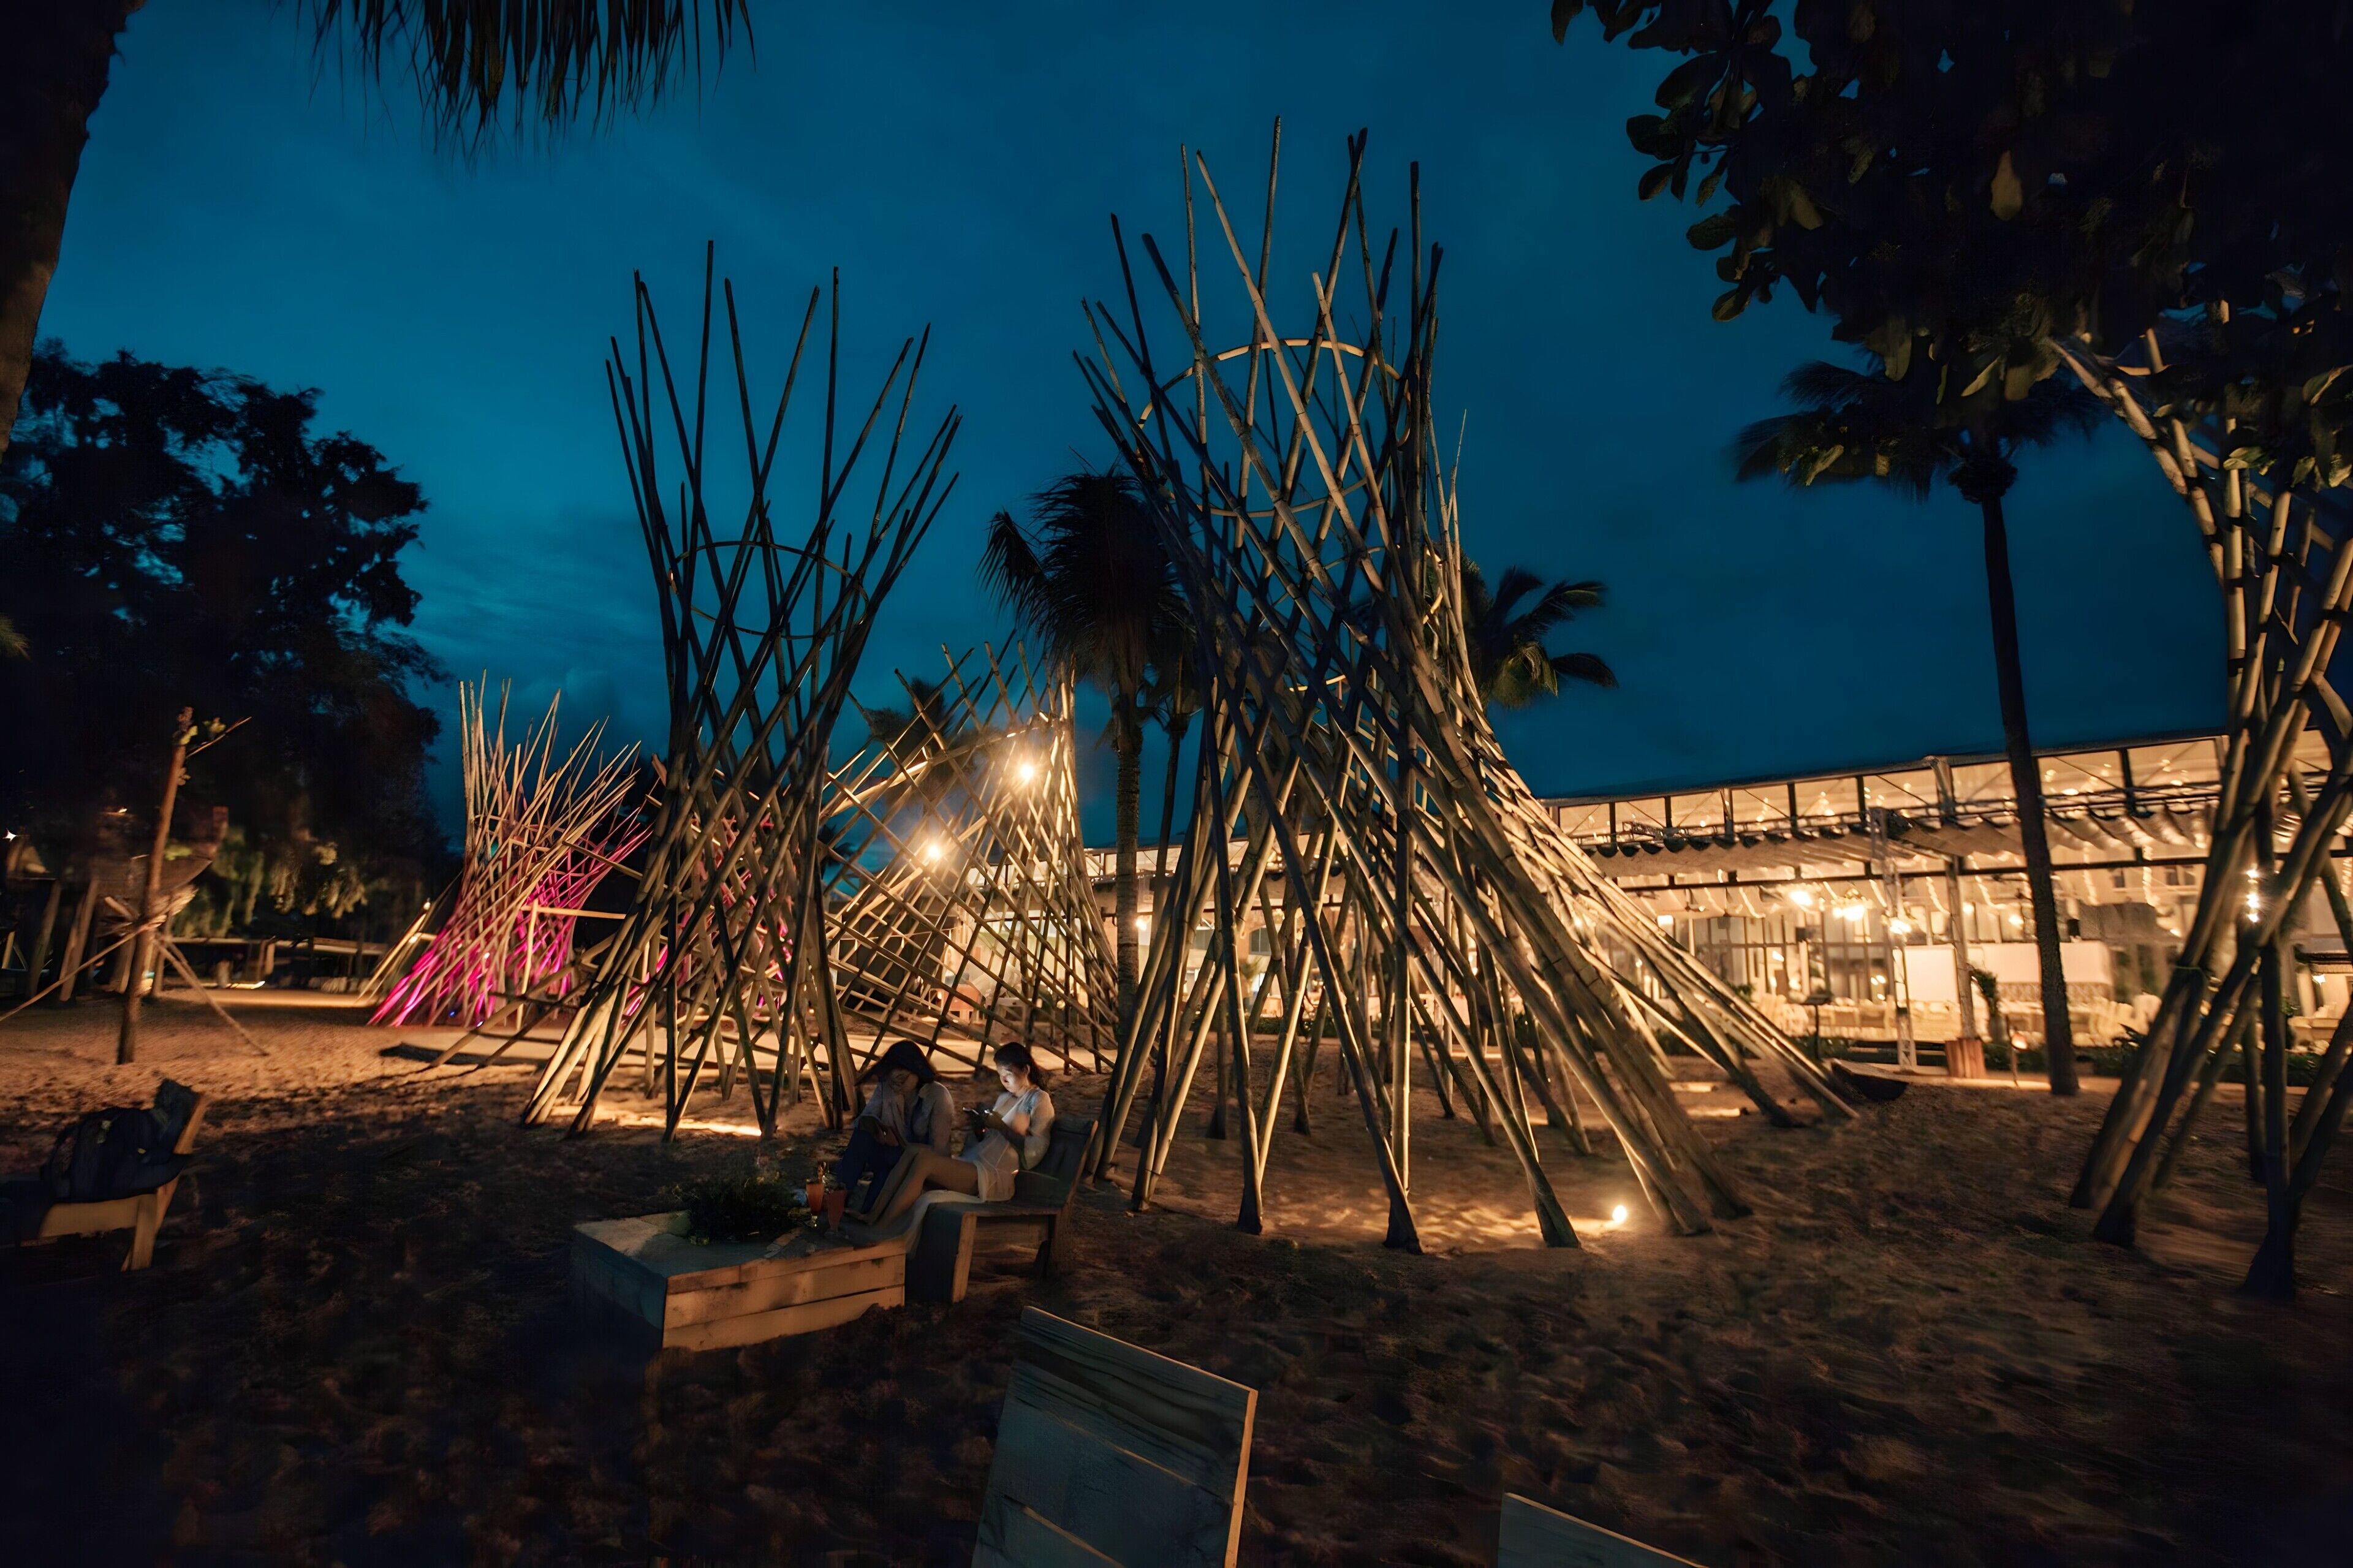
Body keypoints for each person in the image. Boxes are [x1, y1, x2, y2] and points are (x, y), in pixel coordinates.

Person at [851, 1041, 1053, 1232]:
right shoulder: (1005, 1098)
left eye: (1008, 1074)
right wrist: (980, 1128)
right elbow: (989, 1141)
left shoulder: (1038, 1099)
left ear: (1026, 1070)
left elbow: (1034, 1151)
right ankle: (874, 1214)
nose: (1004, 1081)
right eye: (1001, 1075)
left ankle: (884, 1226)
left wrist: (1001, 1127)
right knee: (914, 1151)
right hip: (975, 1164)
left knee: (925, 1162)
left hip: (993, 1176)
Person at [832, 1039, 955, 1208]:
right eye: (893, 1080)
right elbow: (867, 1117)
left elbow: (938, 1152)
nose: (897, 1085)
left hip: (921, 1166)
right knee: (862, 1138)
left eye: (903, 1080)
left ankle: (870, 1211)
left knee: (888, 1173)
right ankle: (840, 1195)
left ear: (917, 1071)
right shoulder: (887, 1088)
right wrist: (873, 1128)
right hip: (894, 1154)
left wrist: (900, 1145)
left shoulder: (938, 1096)